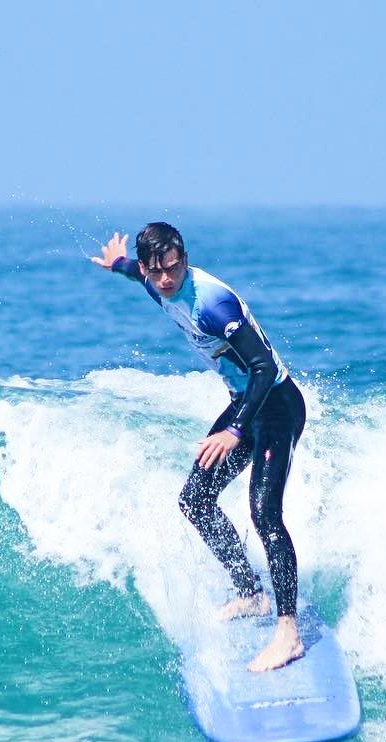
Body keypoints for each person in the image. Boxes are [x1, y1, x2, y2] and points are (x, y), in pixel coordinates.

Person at [91, 222, 307, 672]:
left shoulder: (212, 302)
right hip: (244, 404)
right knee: (195, 500)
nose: (166, 279)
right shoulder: (157, 285)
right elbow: (136, 272)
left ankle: (288, 633)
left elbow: (264, 368)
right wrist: (118, 265)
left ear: (183, 257)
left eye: (173, 268)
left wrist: (234, 430)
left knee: (265, 514)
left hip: (277, 404)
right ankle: (250, 594)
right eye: (156, 272)